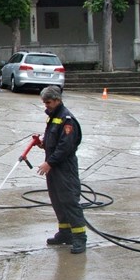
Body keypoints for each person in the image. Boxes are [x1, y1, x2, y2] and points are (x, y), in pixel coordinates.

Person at [36, 86, 88, 254]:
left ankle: (79, 237)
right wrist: (42, 144)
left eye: (48, 102)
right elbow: (54, 142)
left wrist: (49, 163)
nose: (46, 106)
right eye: (44, 103)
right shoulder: (53, 117)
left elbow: (65, 147)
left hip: (64, 168)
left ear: (57, 100)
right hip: (54, 168)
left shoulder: (67, 120)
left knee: (69, 202)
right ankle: (65, 233)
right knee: (57, 201)